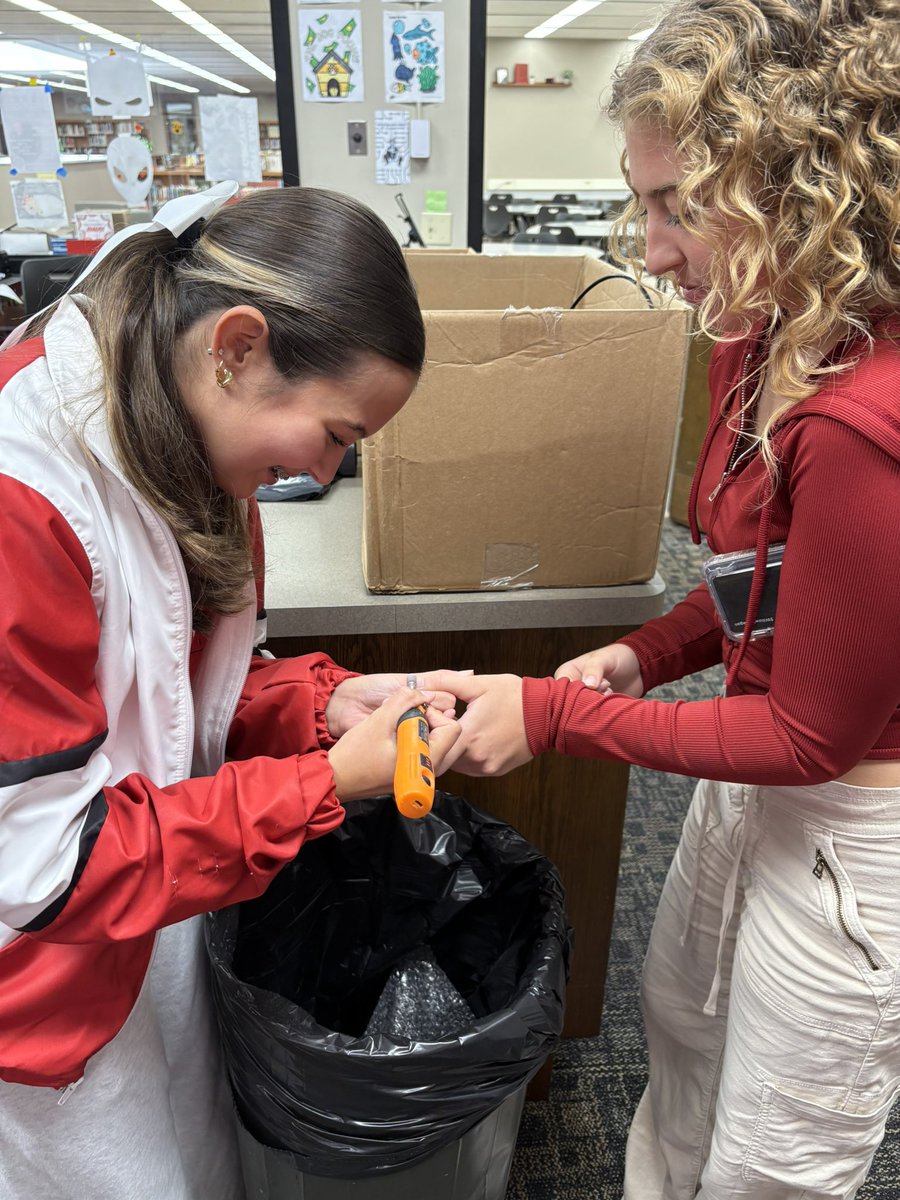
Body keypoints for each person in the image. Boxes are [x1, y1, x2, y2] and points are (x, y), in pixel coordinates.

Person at [436, 2, 900, 1196]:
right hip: (758, 772)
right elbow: (763, 583)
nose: (648, 250)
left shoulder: (862, 416)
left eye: (673, 207)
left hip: (853, 821)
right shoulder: (768, 331)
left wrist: (551, 715)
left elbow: (812, 733)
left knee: (777, 1151)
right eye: (642, 202)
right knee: (683, 1025)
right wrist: (644, 655)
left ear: (798, 188)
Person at [0, 182, 461, 1199]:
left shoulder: (188, 449)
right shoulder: (25, 498)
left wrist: (319, 705)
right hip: (50, 980)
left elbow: (174, 704)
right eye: (338, 433)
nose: (329, 466)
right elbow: (44, 867)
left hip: (156, 916)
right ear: (240, 345)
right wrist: (326, 784)